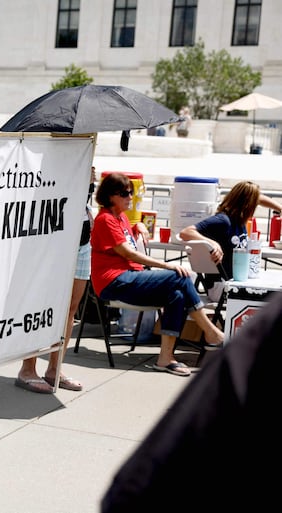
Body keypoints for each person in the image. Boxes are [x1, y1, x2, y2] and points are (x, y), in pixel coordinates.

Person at [101, 288, 282, 513]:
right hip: (114, 278)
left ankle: (172, 353)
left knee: (177, 290)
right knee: (179, 280)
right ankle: (205, 337)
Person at [90, 173, 224, 378]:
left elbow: (125, 237)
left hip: (129, 278)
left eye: (132, 193)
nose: (130, 197)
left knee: (177, 295)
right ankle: (211, 332)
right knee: (179, 276)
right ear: (111, 196)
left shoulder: (120, 217)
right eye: (125, 193)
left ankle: (165, 358)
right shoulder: (105, 219)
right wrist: (165, 266)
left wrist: (138, 225)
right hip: (114, 281)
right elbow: (128, 253)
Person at [15, 167, 96, 393]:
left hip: (81, 236)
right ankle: (28, 368)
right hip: (56, 232)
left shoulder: (84, 148)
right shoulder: (56, 152)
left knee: (70, 309)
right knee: (40, 305)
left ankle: (54, 367)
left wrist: (88, 182)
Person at [179, 180, 282, 300]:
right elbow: (185, 232)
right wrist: (211, 243)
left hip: (236, 281)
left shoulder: (238, 219)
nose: (255, 208)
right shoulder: (223, 220)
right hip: (222, 287)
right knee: (274, 298)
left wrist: (280, 208)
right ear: (246, 205)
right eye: (254, 205)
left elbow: (258, 198)